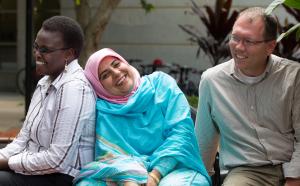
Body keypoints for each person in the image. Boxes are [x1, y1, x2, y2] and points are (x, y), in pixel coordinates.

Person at [74, 48, 211, 186]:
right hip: (125, 173)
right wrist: (129, 178)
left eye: (116, 64)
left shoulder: (161, 84)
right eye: (105, 75)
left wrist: (155, 175)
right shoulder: (104, 110)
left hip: (176, 166)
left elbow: (181, 134)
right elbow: (109, 156)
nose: (116, 73)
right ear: (99, 86)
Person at [195, 7, 300, 186]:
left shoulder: (293, 76)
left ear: (270, 46)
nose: (238, 47)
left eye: (249, 41)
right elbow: (204, 143)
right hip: (248, 172)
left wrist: (293, 178)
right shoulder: (212, 81)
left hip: (292, 162)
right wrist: (197, 178)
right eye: (235, 38)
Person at [0, 16, 96, 185]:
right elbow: (23, 139)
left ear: (69, 54)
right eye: (36, 47)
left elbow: (57, 161)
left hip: (62, 177)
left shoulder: (74, 88)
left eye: (45, 50)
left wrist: (8, 163)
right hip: (34, 168)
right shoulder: (45, 82)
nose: (37, 54)